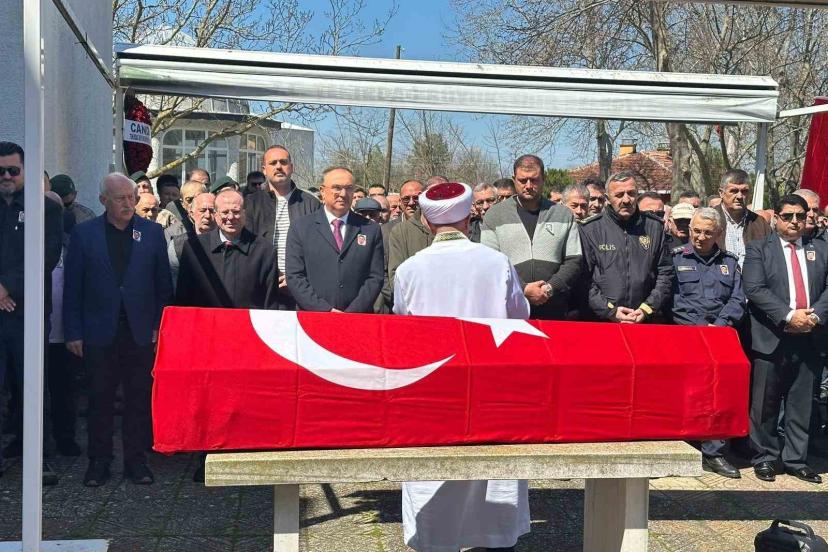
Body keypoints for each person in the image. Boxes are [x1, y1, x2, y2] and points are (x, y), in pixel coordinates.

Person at [394, 181, 530, 552]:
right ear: (469, 218)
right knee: (492, 482)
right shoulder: (497, 263)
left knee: (434, 481)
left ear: (426, 222)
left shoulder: (409, 270)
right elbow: (520, 316)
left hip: (433, 388)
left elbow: (403, 325)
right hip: (490, 388)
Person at [64, 172, 173, 487]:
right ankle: (99, 462)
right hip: (98, 332)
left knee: (138, 400)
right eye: (120, 199)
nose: (128, 204)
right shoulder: (85, 234)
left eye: (131, 198)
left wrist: (159, 326)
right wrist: (73, 332)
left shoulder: (151, 233)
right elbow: (73, 287)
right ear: (104, 201)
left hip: (140, 332)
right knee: (99, 400)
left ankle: (136, 462)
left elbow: (163, 285)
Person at [742, 194, 828, 484]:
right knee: (765, 403)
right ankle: (765, 457)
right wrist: (790, 316)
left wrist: (813, 317)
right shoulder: (759, 249)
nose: (794, 222)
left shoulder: (821, 248)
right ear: (776, 218)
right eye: (788, 216)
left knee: (802, 403)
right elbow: (755, 289)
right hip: (772, 335)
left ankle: (795, 460)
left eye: (800, 216)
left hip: (810, 335)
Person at [0, 142, 63, 481]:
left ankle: (39, 457)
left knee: (33, 385)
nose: (7, 177)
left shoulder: (46, 209)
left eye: (13, 170)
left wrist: (6, 288)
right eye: (1, 172)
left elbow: (46, 256)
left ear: (25, 169)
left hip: (28, 312)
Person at [670, 207, 745, 478]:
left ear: (719, 234)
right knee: (686, 394)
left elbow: (738, 299)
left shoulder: (730, 262)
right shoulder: (676, 259)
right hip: (687, 336)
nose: (700, 237)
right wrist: (702, 327)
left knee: (718, 396)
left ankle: (714, 452)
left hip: (720, 338)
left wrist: (720, 326)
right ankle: (684, 447)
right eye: (696, 231)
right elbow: (674, 301)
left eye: (707, 233)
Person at [482, 155, 582, 320]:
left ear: (544, 179)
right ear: (514, 180)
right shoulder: (495, 215)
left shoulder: (563, 214)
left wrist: (549, 288)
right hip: (511, 311)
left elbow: (574, 260)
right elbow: (490, 262)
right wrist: (523, 288)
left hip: (555, 309)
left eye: (534, 180)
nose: (528, 186)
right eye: (522, 180)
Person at [579, 171, 674, 323]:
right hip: (602, 320)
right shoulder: (590, 229)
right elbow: (584, 278)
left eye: (631, 193)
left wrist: (647, 308)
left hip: (644, 319)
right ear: (607, 199)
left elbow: (665, 273)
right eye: (619, 195)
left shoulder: (655, 227)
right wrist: (609, 311)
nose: (626, 200)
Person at [286, 167, 383, 312]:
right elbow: (295, 277)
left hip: (357, 318)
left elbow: (375, 277)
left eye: (349, 188)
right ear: (322, 191)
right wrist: (326, 311)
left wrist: (352, 313)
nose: (343, 194)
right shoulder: (301, 228)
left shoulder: (370, 229)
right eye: (337, 188)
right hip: (314, 317)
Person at [244, 145, 321, 309]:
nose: (278, 166)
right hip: (261, 290)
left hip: (302, 291)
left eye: (283, 162)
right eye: (273, 163)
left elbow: (319, 250)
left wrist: (294, 279)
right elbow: (245, 247)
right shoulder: (249, 204)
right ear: (264, 169)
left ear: (291, 167)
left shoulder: (312, 204)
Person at [176, 190, 276, 309]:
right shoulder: (195, 248)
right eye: (225, 212)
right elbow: (183, 298)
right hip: (205, 319)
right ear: (216, 215)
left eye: (236, 212)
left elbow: (270, 302)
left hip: (246, 320)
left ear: (244, 213)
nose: (230, 217)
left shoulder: (264, 250)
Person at [714, 169, 771, 268]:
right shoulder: (708, 220)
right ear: (721, 193)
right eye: (734, 191)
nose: (740, 196)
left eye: (744, 191)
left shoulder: (760, 223)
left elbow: (771, 257)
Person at [168, 192, 216, 290]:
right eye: (202, 210)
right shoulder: (178, 245)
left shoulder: (227, 241)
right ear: (191, 214)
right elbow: (174, 282)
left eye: (212, 211)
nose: (207, 215)